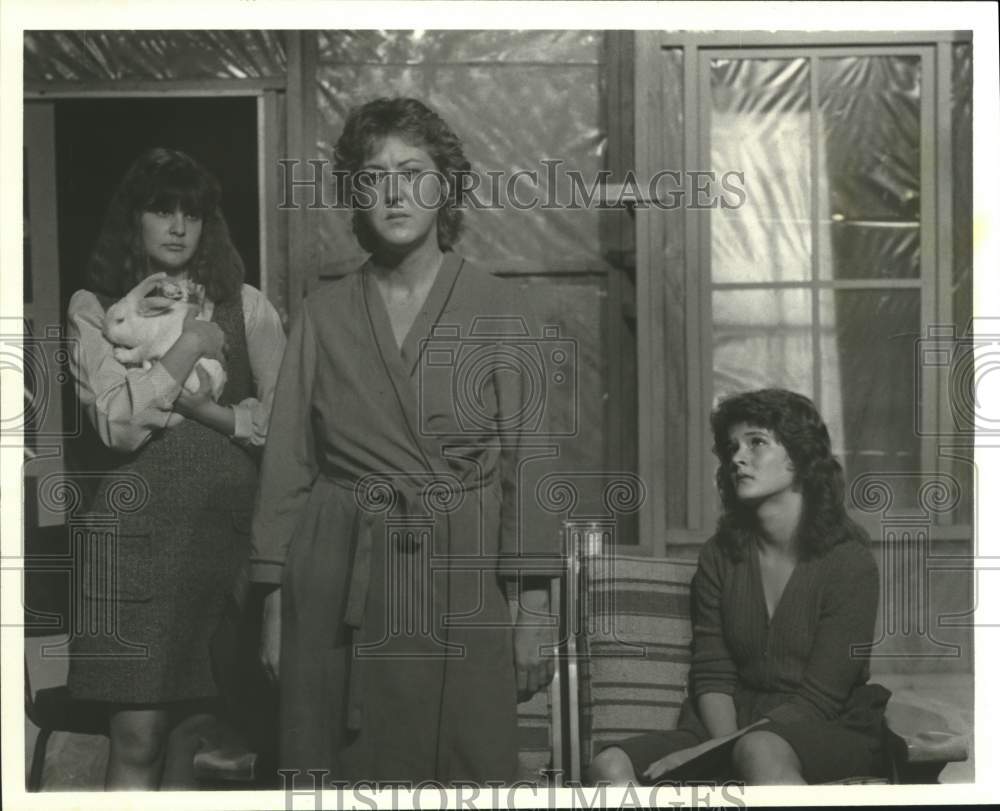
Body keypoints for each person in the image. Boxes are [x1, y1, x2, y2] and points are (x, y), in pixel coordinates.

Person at [250, 97, 558, 785]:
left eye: (412, 170)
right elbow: (287, 465)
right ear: (355, 193)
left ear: (444, 184)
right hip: (337, 578)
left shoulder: (504, 309)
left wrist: (533, 605)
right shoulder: (322, 314)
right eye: (374, 173)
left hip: (460, 574)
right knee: (338, 774)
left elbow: (530, 461)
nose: (393, 190)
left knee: (468, 770)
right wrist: (274, 603)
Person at [65, 147, 286, 790]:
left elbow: (286, 428)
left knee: (192, 734)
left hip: (222, 545)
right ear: (133, 219)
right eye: (162, 209)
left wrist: (208, 411)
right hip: (132, 549)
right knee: (138, 735)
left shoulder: (246, 306)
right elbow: (118, 425)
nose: (177, 225)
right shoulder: (98, 307)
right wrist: (190, 343)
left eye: (192, 212)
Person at [589, 388, 889, 785]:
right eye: (731, 447)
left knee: (760, 750)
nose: (737, 458)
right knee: (608, 765)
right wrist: (720, 745)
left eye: (757, 443)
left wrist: (710, 753)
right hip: (729, 725)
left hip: (830, 727)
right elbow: (713, 673)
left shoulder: (849, 561)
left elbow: (822, 698)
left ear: (800, 456)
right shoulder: (720, 556)